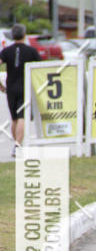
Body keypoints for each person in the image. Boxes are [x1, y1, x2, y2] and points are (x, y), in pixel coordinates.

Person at [0, 24, 41, 156]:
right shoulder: (31, 51)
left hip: (10, 88)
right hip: (25, 87)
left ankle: (17, 144)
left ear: (12, 36)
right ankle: (18, 144)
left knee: (14, 118)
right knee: (22, 116)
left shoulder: (6, 51)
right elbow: (41, 67)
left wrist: (0, 85)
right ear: (24, 35)